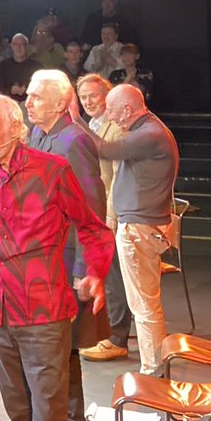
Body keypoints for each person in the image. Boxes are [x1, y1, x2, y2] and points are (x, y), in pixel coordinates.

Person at [0, 94, 113, 421]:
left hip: (43, 312)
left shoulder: (52, 170)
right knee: (17, 414)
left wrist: (95, 272)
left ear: (15, 129)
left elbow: (93, 229)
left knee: (49, 418)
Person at [25, 70, 107, 421]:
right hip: (41, 264)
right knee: (52, 351)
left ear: (60, 102)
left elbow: (90, 208)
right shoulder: (40, 134)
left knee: (65, 350)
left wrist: (85, 270)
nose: (28, 103)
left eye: (36, 97)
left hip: (66, 266)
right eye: (28, 96)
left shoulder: (74, 140)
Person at [71, 84, 178, 376]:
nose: (112, 118)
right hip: (140, 224)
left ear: (128, 109)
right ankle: (153, 366)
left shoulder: (150, 134)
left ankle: (152, 370)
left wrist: (76, 120)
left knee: (142, 305)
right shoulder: (148, 130)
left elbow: (104, 149)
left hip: (140, 228)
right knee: (143, 302)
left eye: (114, 112)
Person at [75, 75, 133, 364]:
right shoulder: (93, 125)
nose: (87, 101)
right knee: (100, 273)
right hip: (92, 211)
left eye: (93, 95)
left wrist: (110, 216)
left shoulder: (117, 130)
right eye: (83, 96)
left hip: (112, 211)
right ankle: (108, 329)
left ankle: (118, 338)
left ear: (107, 97)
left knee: (114, 277)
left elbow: (118, 178)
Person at [0, 33, 38, 101]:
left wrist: (28, 89)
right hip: (9, 102)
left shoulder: (36, 65)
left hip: (30, 102)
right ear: (11, 46)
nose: (19, 47)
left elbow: (42, 88)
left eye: (22, 44)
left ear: (27, 47)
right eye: (16, 44)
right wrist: (11, 90)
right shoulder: (3, 65)